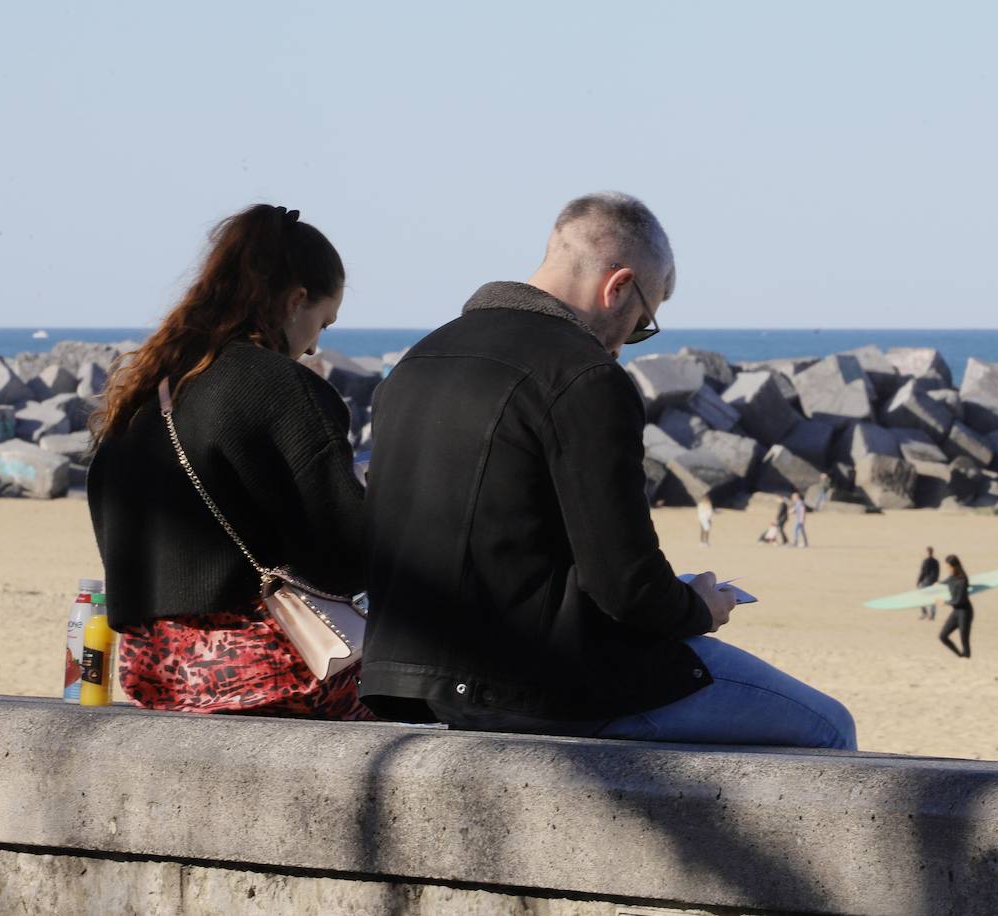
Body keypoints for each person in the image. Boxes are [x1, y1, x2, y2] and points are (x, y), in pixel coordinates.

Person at [358, 191, 855, 749]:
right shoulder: (584, 376)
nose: (626, 345)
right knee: (829, 727)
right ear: (617, 286)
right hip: (537, 685)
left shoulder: (417, 362)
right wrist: (698, 607)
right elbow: (624, 583)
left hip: (405, 680)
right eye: (641, 324)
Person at [87, 204, 372, 720]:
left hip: (156, 674)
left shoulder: (149, 391)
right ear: (295, 300)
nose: (312, 348)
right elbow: (347, 551)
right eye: (322, 324)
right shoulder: (283, 388)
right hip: (269, 673)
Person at [936, 554, 973, 658]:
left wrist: (944, 602)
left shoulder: (963, 580)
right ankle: (960, 656)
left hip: (965, 611)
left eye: (949, 567)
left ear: (956, 566)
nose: (948, 569)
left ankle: (966, 658)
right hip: (956, 611)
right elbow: (947, 582)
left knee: (964, 640)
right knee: (943, 636)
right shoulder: (952, 577)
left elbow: (959, 601)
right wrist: (938, 584)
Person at [917, 546, 940, 621]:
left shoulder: (925, 561)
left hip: (926, 581)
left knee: (921, 597)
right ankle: (932, 615)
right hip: (933, 581)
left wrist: (919, 581)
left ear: (927, 552)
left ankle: (924, 613)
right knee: (933, 598)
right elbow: (938, 572)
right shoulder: (936, 561)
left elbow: (923, 572)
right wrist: (936, 580)